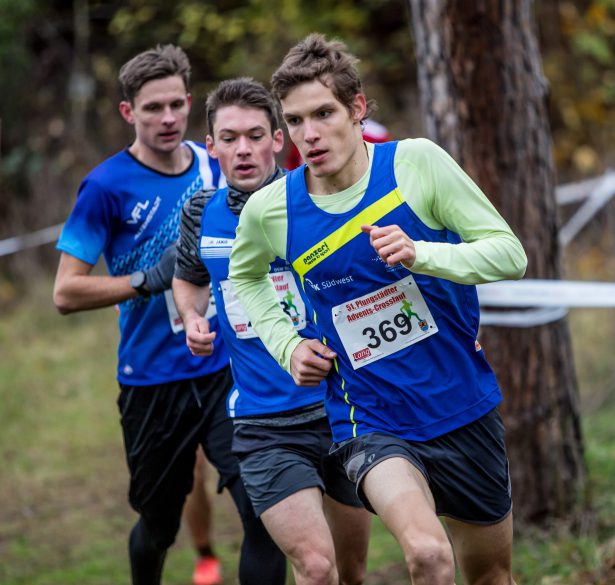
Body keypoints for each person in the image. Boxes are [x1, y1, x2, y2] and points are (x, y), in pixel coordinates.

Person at [228, 34, 528, 585]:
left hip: (462, 404)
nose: (309, 135)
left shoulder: (416, 163)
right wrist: (287, 345)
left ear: (358, 108)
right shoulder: (272, 209)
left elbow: (510, 255)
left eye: (323, 113)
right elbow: (244, 276)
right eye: (295, 122)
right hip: (370, 420)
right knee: (428, 555)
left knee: (491, 575)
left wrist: (422, 253)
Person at [52, 44, 285, 585]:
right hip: (152, 380)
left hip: (228, 367)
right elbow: (65, 292)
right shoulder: (105, 187)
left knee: (263, 512)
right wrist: (144, 280)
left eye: (177, 104)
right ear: (128, 112)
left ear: (188, 103)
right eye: (152, 107)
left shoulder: (216, 163)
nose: (167, 118)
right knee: (158, 525)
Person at [173, 76, 371, 585]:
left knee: (350, 570)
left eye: (256, 135)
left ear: (278, 140)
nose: (244, 150)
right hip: (264, 423)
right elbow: (189, 280)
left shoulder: (317, 199)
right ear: (210, 145)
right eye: (230, 138)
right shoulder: (201, 213)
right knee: (316, 565)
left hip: (342, 409)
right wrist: (194, 318)